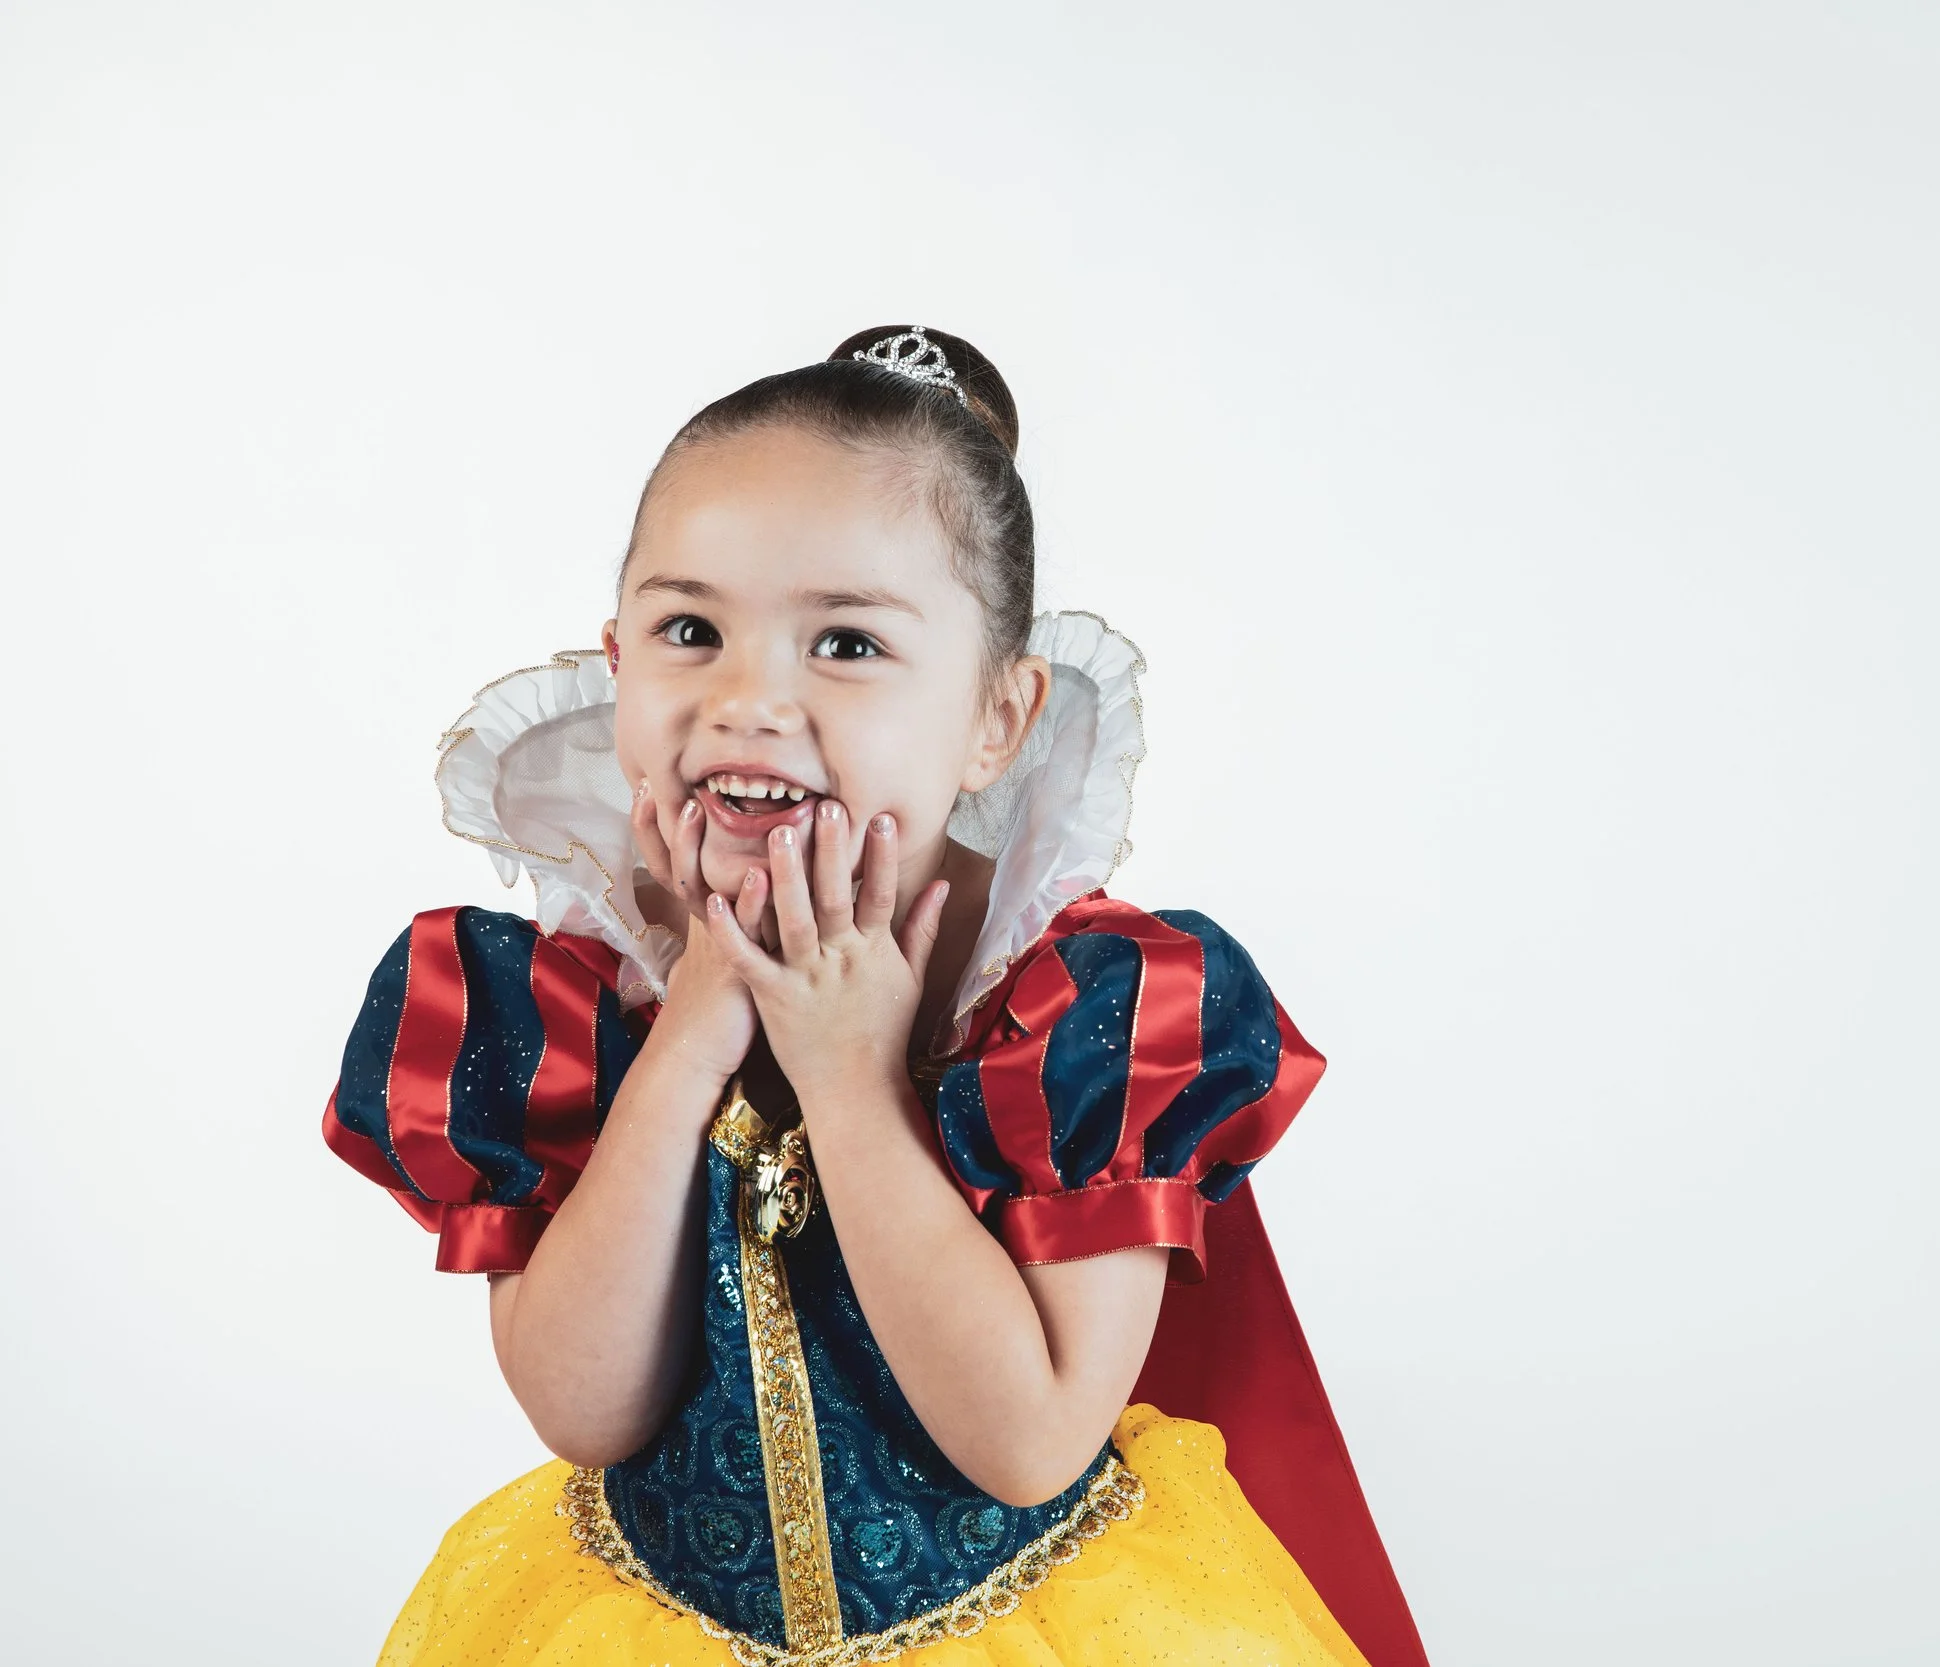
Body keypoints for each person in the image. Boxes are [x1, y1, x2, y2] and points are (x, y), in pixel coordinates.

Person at [323, 326, 1429, 1667]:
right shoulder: (560, 1001)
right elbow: (582, 1407)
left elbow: (1027, 1438)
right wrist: (688, 1044)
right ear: (616, 666)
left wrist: (850, 1076)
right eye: (691, 630)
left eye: (845, 642)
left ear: (995, 719)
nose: (749, 699)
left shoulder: (1078, 1012)